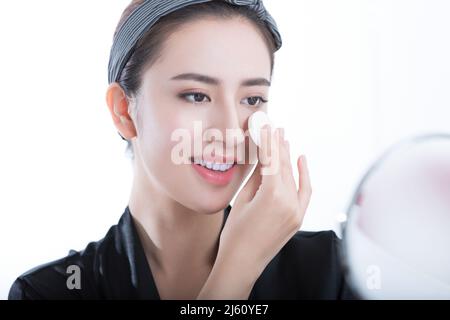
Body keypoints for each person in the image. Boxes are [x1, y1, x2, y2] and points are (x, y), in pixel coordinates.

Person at [8, 0, 354, 300]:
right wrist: (235, 271)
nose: (232, 132)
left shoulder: (328, 271)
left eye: (252, 99)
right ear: (124, 111)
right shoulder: (50, 292)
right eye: (196, 95)